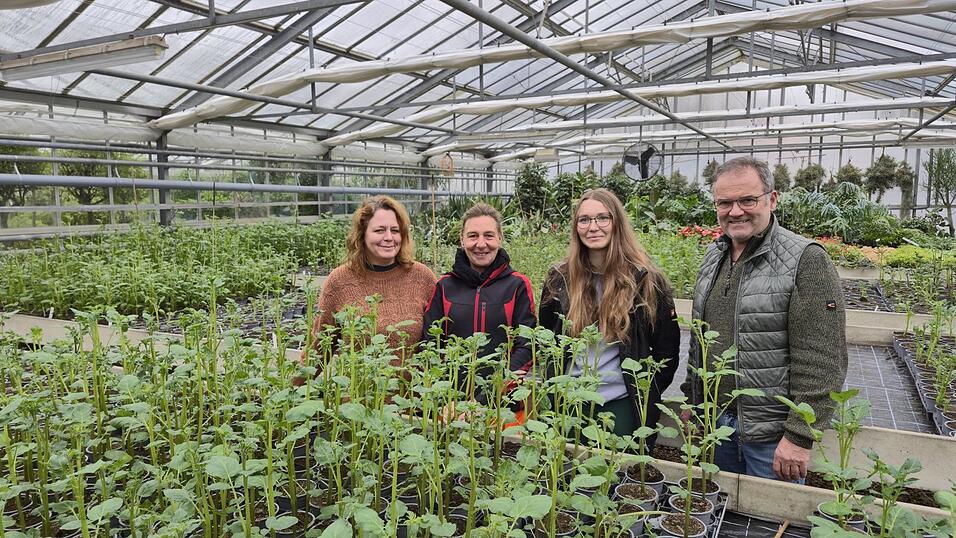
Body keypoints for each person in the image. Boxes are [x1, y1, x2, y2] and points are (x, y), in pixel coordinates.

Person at [681, 156, 848, 483]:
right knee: (724, 514)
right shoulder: (715, 255)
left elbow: (823, 358)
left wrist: (799, 435)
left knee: (767, 521)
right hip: (717, 424)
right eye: (725, 202)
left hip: (771, 436)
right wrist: (693, 399)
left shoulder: (805, 259)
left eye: (747, 200)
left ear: (772, 199)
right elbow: (701, 339)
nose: (735, 211)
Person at [539, 188, 680, 446]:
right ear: (576, 227)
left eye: (602, 218)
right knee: (565, 476)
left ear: (617, 223)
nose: (593, 227)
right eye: (584, 220)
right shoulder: (559, 279)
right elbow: (546, 340)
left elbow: (667, 350)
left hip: (621, 405)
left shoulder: (646, 280)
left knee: (616, 478)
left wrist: (645, 392)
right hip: (568, 403)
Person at [423, 203, 536, 406]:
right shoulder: (444, 286)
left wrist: (487, 396)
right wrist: (448, 399)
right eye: (473, 235)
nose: (481, 243)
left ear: (500, 239)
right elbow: (430, 344)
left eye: (489, 235)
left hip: (504, 404)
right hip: (451, 404)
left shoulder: (517, 285)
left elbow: (526, 347)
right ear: (462, 239)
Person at [304, 196, 436, 364]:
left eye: (395, 230)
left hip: (413, 390)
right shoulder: (340, 281)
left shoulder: (422, 277)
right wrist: (291, 388)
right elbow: (319, 348)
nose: (389, 237)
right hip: (360, 389)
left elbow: (438, 343)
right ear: (362, 235)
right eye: (379, 230)